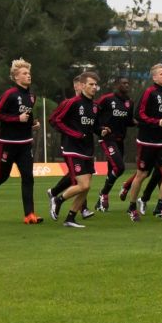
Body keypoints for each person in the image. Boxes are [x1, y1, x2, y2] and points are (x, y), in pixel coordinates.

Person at [0, 58, 44, 224]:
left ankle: (29, 214)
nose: (28, 76)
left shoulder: (31, 96)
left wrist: (33, 123)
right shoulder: (9, 94)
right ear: (16, 77)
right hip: (8, 144)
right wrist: (18, 119)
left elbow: (26, 118)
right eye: (24, 73)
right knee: (2, 176)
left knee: (28, 178)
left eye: (29, 73)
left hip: (25, 144)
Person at [126, 64, 162, 222]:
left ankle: (160, 207)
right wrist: (156, 122)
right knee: (142, 175)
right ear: (154, 77)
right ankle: (132, 207)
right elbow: (138, 114)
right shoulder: (149, 92)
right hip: (147, 142)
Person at [48, 72, 100, 228]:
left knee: (86, 187)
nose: (94, 87)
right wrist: (74, 134)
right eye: (91, 84)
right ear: (82, 85)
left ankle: (70, 218)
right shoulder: (73, 102)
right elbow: (55, 120)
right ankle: (57, 199)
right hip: (73, 149)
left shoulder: (95, 106)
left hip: (88, 150)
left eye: (95, 85)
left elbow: (94, 126)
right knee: (83, 185)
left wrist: (102, 130)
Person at [95, 76, 134, 211]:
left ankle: (100, 200)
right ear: (117, 84)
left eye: (128, 83)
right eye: (123, 83)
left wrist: (142, 122)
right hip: (107, 138)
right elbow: (94, 113)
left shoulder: (129, 102)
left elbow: (129, 121)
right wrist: (100, 129)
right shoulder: (106, 99)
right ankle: (103, 193)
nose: (126, 85)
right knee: (120, 168)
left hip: (120, 139)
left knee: (112, 171)